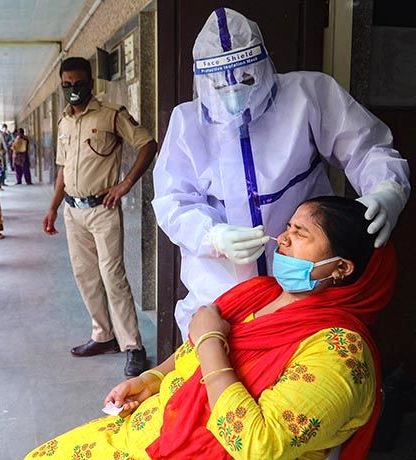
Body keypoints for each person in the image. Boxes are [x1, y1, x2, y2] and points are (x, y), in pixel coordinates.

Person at [27, 196, 395, 460]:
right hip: (156, 428)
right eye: (286, 228)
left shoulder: (339, 354)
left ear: (341, 268)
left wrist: (211, 341)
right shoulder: (260, 292)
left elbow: (256, 445)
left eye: (300, 233)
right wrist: (152, 379)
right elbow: (191, 357)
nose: (282, 239)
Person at [152, 8, 411, 338]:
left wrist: (388, 189)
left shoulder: (308, 95)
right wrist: (211, 236)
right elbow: (172, 201)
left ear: (263, 64)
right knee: (220, 370)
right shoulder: (187, 124)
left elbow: (367, 148)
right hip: (222, 292)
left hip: (305, 285)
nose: (234, 94)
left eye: (246, 79)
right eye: (219, 85)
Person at [42, 57, 159, 377]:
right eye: (67, 86)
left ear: (91, 82)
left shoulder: (111, 115)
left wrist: (126, 184)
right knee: (85, 277)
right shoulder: (65, 122)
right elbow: (63, 170)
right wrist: (53, 206)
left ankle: (133, 345)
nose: (73, 90)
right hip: (72, 211)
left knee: (113, 277)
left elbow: (147, 143)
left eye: (78, 84)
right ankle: (103, 335)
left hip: (103, 211)